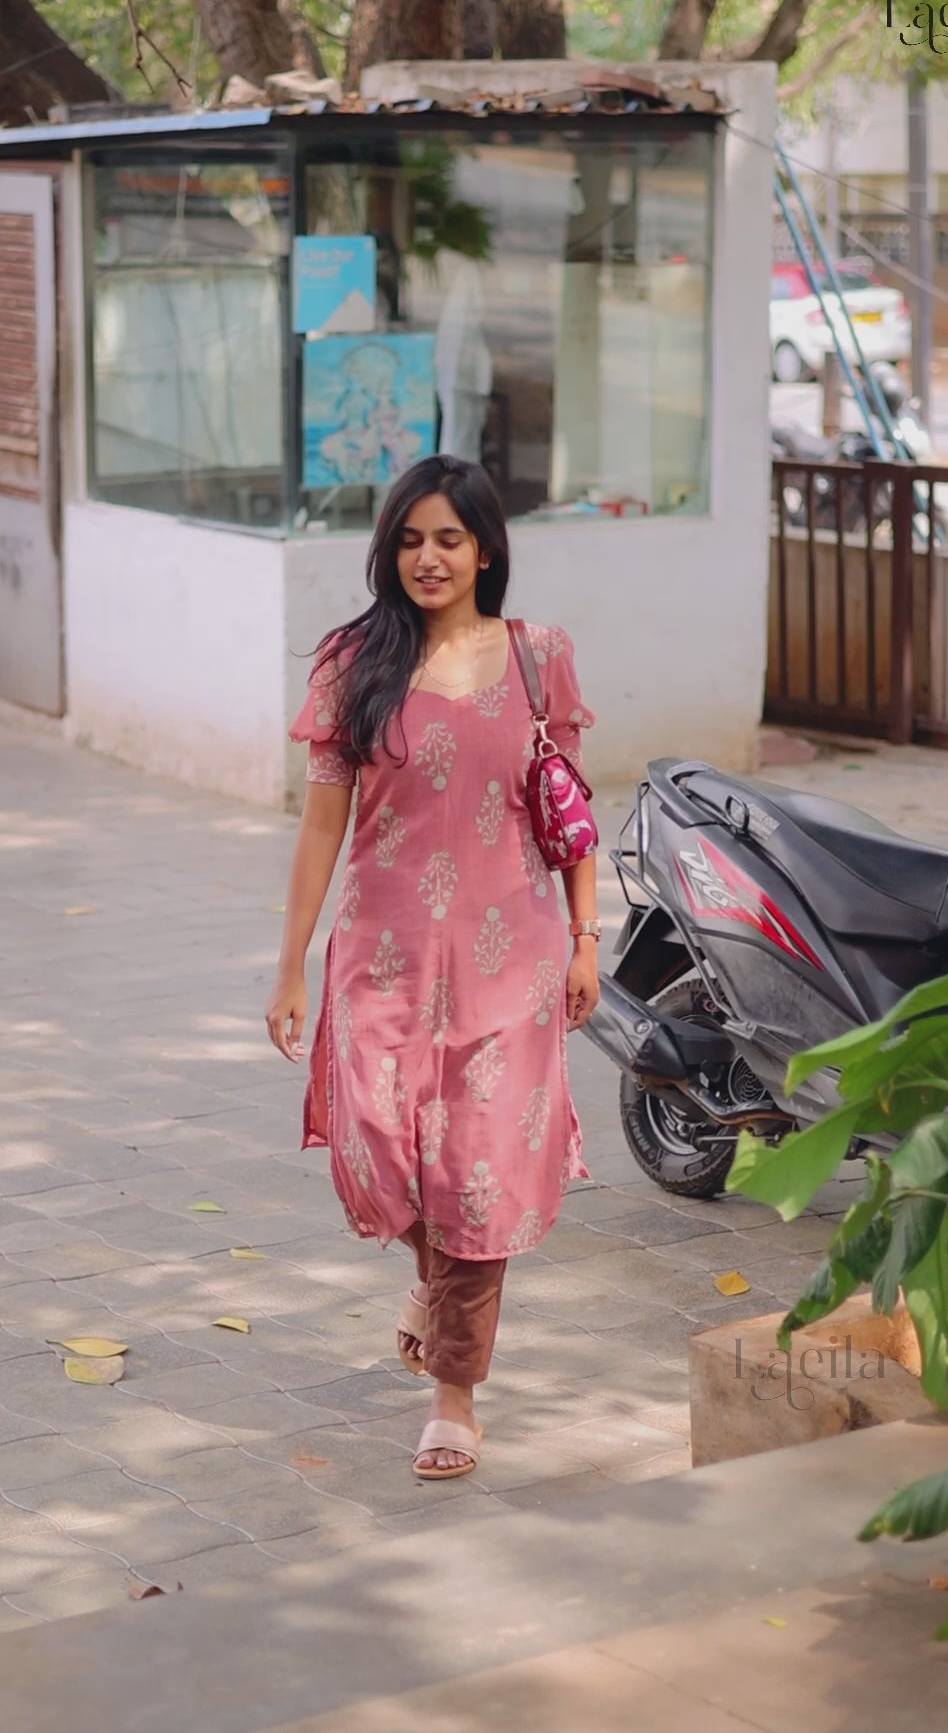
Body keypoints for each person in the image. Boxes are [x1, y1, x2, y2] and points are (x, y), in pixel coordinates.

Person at [265, 454, 600, 1480]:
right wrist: (290, 971)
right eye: (409, 540)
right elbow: (322, 830)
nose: (428, 558)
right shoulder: (350, 663)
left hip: (513, 966)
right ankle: (430, 1280)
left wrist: (589, 937)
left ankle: (455, 1393)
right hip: (384, 960)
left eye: (449, 538)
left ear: (486, 547)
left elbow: (571, 812)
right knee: (387, 1155)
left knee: (480, 1169)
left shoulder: (540, 657)